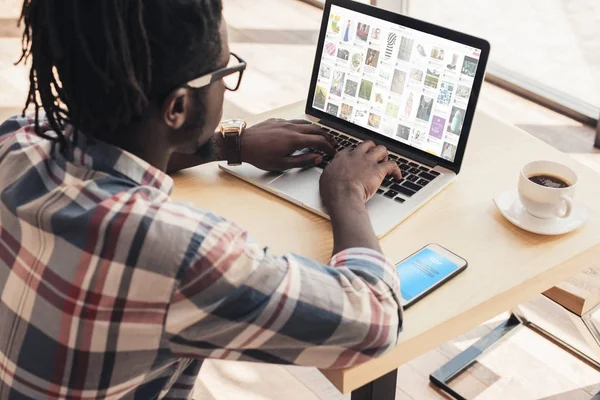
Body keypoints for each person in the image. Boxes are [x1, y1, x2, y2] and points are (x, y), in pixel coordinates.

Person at [0, 1, 403, 398]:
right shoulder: (175, 253)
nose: (226, 83)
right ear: (177, 107)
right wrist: (347, 193)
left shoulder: (17, 142)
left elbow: (117, 149)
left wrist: (230, 143)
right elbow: (375, 323)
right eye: (225, 71)